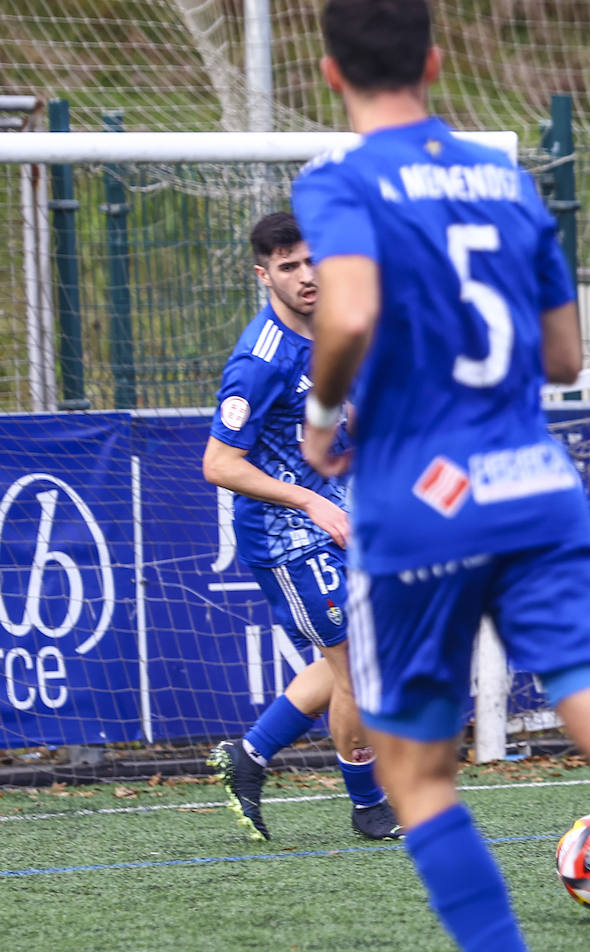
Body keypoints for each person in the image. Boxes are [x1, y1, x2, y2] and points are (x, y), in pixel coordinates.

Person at [291, 3, 590, 950]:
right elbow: (562, 355)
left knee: (421, 778)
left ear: (328, 72)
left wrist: (321, 420)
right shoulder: (504, 177)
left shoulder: (342, 181)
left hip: (418, 509)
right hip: (536, 494)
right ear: (434, 62)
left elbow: (347, 315)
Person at [203, 211, 400, 842]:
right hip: (286, 537)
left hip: (341, 519)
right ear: (265, 276)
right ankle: (369, 808)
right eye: (289, 267)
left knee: (358, 654)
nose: (307, 275)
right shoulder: (259, 362)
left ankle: (249, 757)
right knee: (357, 669)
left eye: (313, 260)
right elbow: (218, 463)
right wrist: (308, 502)